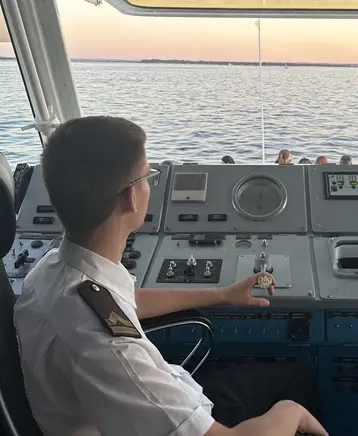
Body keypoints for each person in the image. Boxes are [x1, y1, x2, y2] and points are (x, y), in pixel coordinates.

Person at [14, 117, 327, 436]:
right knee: (296, 387)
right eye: (148, 176)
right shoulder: (109, 349)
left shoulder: (53, 269)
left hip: (148, 400)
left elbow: (124, 301)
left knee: (293, 379)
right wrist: (291, 412)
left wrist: (222, 294)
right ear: (131, 197)